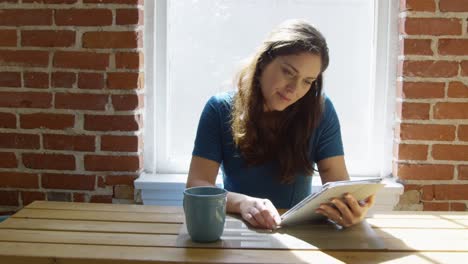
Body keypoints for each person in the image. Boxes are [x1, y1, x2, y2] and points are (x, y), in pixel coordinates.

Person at [186, 19, 375, 229]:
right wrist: (243, 203)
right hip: (238, 230)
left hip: (298, 232)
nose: (294, 89)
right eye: (288, 72)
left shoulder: (320, 109)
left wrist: (350, 210)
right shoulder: (219, 109)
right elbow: (197, 185)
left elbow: (339, 186)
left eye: (307, 81)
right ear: (263, 62)